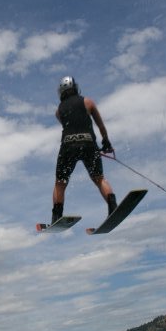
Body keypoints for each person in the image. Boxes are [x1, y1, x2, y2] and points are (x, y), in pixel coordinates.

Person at [51, 75, 117, 224]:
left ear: (61, 92)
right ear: (75, 87)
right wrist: (105, 142)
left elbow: (69, 125)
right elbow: (100, 126)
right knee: (99, 178)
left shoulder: (58, 111)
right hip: (88, 144)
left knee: (60, 183)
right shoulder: (88, 102)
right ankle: (113, 206)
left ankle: (56, 216)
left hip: (68, 146)